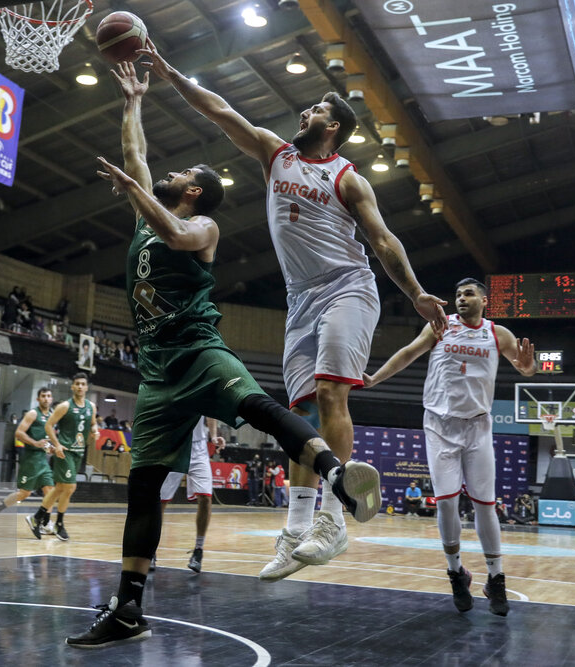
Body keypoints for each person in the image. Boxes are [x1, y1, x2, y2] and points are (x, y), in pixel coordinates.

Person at [66, 62, 381, 648]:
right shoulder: (145, 212)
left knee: (262, 408)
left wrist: (137, 190)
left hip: (201, 352)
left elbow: (174, 234)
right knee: (143, 489)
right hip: (157, 375)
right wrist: (133, 100)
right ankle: (128, 611)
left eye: (181, 173)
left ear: (192, 193)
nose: (164, 174)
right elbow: (135, 156)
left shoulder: (203, 226)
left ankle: (338, 481)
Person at [140, 42, 448, 582]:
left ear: (332, 128)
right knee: (300, 422)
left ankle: (335, 521)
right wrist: (168, 72)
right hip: (300, 299)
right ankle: (295, 530)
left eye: (316, 111)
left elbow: (382, 239)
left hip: (347, 287)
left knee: (331, 393)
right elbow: (218, 109)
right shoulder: (275, 153)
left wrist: (417, 293)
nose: (304, 113)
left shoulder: (349, 177)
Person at [365, 278, 536, 616]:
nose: (461, 298)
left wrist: (529, 365)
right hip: (440, 425)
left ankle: (495, 578)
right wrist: (374, 378)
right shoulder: (440, 326)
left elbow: (525, 368)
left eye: (468, 294)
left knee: (485, 505)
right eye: (457, 294)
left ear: (484, 301)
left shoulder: (498, 334)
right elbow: (408, 354)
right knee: (445, 505)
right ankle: (456, 572)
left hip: (478, 427)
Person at [25, 374, 98, 542]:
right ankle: (59, 523)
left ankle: (37, 518)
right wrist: (56, 444)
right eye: (77, 384)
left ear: (87, 387)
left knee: (61, 488)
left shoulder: (91, 407)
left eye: (83, 384)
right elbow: (48, 425)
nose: (80, 386)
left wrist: (95, 430)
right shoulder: (65, 406)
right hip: (64, 451)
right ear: (72, 387)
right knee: (70, 487)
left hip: (79, 451)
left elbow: (93, 423)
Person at [156, 417, 224, 573]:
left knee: (206, 498)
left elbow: (210, 413)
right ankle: (150, 550)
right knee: (160, 501)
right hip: (175, 445)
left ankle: (198, 550)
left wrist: (213, 436)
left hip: (199, 448)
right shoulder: (169, 391)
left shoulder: (202, 392)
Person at [0, 387, 56, 532]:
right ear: (38, 399)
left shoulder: (52, 415)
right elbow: (19, 433)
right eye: (43, 396)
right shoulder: (33, 414)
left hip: (42, 458)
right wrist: (35, 443)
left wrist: (51, 448)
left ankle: (45, 523)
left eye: (48, 396)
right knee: (24, 493)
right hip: (30, 459)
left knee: (50, 491)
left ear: (51, 399)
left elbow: (46, 438)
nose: (46, 398)